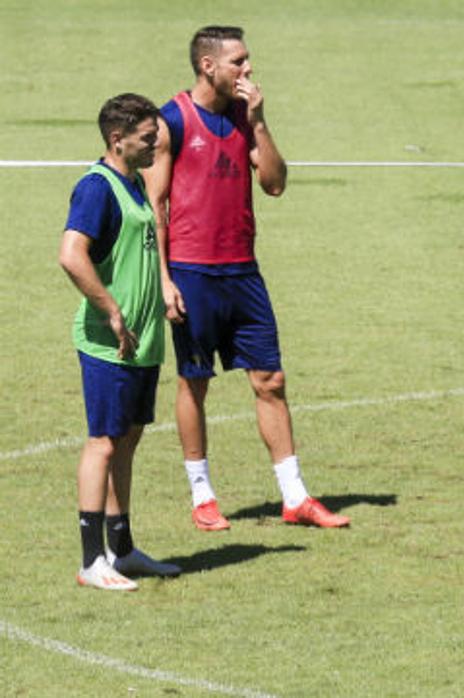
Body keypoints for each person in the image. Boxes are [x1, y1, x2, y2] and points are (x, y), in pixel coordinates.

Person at [145, 26, 348, 530]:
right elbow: (154, 208)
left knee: (271, 381)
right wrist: (164, 281)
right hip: (192, 273)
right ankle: (202, 495)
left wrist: (258, 123)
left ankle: (295, 496)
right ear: (208, 66)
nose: (248, 70)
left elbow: (275, 183)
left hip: (243, 271)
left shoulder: (243, 118)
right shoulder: (171, 121)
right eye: (239, 61)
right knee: (195, 382)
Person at [60, 94, 183, 590]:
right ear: (118, 139)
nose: (157, 143)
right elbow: (71, 254)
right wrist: (110, 309)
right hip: (110, 344)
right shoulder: (98, 187)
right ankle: (93, 561)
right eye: (148, 137)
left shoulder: (133, 183)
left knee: (128, 439)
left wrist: (165, 289)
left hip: (142, 341)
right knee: (104, 443)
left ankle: (123, 549)